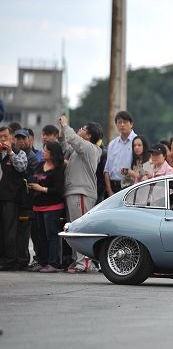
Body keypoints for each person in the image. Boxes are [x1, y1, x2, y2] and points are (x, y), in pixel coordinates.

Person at [58, 115, 103, 273]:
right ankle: (78, 261)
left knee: (80, 229)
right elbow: (65, 146)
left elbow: (73, 139)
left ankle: (84, 263)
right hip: (74, 191)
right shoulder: (80, 150)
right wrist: (62, 130)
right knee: (73, 229)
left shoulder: (90, 148)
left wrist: (65, 124)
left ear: (89, 135)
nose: (79, 130)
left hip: (81, 192)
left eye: (83, 129)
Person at [28, 141, 65, 273]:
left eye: (46, 150)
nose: (43, 152)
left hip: (53, 207)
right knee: (41, 236)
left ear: (53, 153)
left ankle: (53, 263)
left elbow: (59, 190)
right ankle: (43, 262)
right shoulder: (40, 165)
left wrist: (42, 188)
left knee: (52, 235)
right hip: (38, 206)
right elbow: (34, 178)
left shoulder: (58, 169)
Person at [0, 126, 28, 271]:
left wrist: (10, 152)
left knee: (9, 231)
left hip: (11, 198)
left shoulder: (19, 152)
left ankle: (10, 260)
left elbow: (22, 167)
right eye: (0, 137)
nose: (3, 139)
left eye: (5, 136)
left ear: (12, 137)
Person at [14, 129, 39, 269]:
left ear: (29, 139)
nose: (20, 141)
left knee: (24, 232)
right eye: (18, 139)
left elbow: (32, 178)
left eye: (23, 138)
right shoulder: (14, 154)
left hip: (27, 201)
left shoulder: (32, 157)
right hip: (16, 199)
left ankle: (23, 260)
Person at [104, 110, 137, 196]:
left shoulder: (138, 142)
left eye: (125, 122)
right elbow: (107, 170)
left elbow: (143, 166)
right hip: (112, 186)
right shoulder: (112, 144)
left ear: (131, 124)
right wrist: (109, 190)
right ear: (116, 125)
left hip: (130, 185)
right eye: (119, 122)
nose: (122, 125)